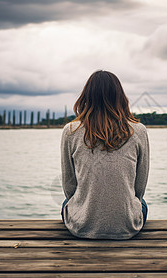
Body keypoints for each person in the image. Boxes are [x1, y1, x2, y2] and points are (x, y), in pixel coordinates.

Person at [60, 70, 149, 240]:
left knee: (67, 204)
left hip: (82, 227)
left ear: (86, 96)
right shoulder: (139, 130)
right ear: (120, 97)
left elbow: (69, 186)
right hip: (128, 227)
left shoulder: (71, 131)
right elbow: (139, 187)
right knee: (141, 204)